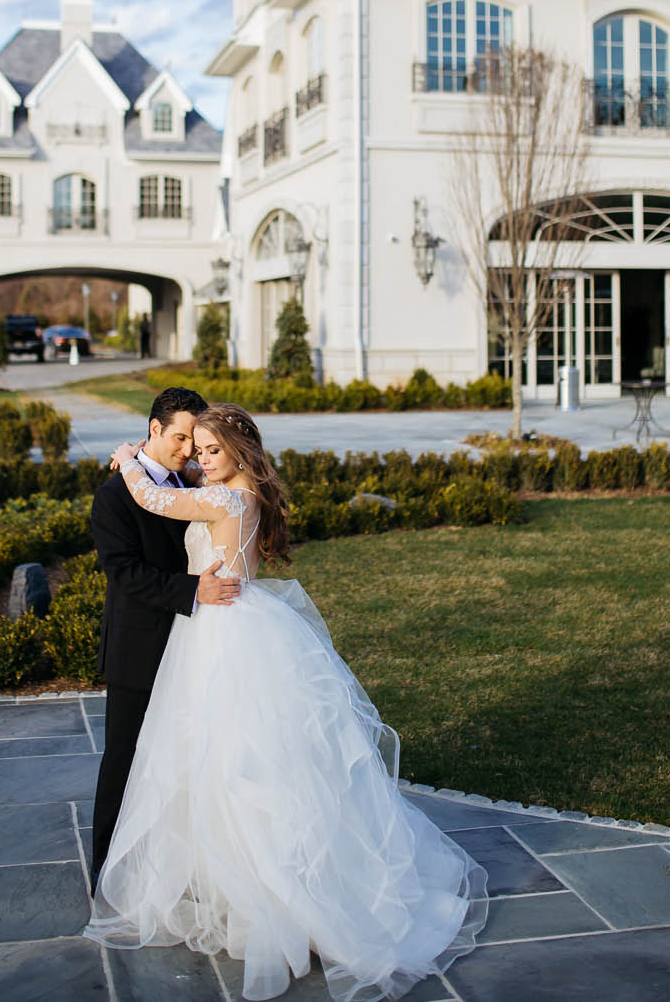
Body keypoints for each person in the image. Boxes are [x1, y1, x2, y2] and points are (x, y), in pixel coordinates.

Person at [85, 404, 487, 1001]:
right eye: (195, 448)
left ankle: (267, 895)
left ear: (240, 453)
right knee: (230, 758)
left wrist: (126, 463)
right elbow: (177, 497)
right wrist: (181, 466)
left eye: (210, 448)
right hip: (231, 623)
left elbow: (154, 501)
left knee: (233, 761)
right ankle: (225, 879)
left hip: (223, 632)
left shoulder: (225, 498)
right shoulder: (237, 489)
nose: (199, 458)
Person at [87, 386, 236, 890]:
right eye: (179, 438)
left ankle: (177, 868)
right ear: (154, 429)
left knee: (182, 758)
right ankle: (106, 873)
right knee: (124, 762)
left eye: (194, 441)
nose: (188, 450)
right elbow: (125, 573)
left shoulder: (190, 481)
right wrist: (195, 589)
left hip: (193, 645)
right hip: (139, 646)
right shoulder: (113, 496)